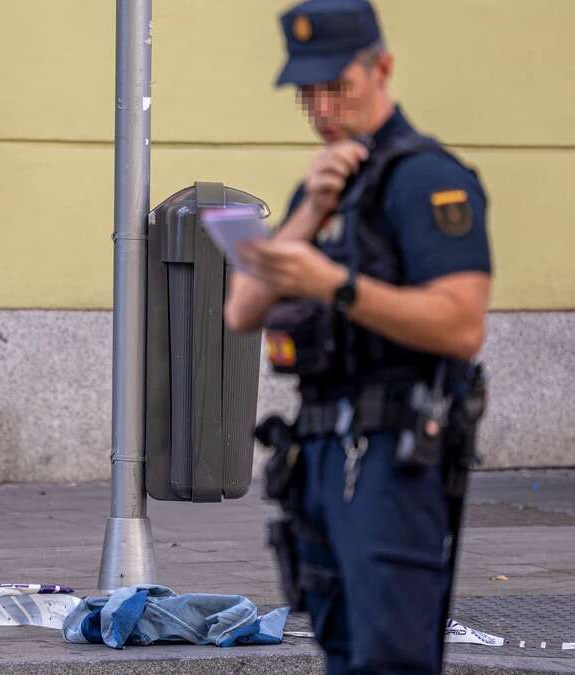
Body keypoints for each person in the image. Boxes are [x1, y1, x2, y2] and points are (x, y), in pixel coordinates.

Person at [223, 1, 492, 673]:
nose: (322, 107)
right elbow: (242, 308)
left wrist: (334, 285)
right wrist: (311, 210)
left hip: (394, 457)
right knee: (342, 649)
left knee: (388, 655)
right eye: (306, 92)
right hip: (319, 454)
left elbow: (462, 324)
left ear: (382, 69)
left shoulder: (427, 178)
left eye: (335, 85)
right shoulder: (324, 188)